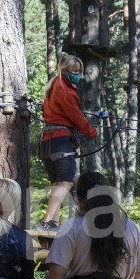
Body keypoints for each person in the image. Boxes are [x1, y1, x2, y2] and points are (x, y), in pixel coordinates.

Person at [39, 54, 99, 230]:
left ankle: (53, 223)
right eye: (75, 71)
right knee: (65, 183)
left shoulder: (53, 87)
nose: (78, 75)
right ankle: (47, 221)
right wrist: (91, 131)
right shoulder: (65, 91)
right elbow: (76, 117)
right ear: (65, 71)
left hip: (48, 142)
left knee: (58, 184)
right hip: (60, 141)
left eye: (79, 71)